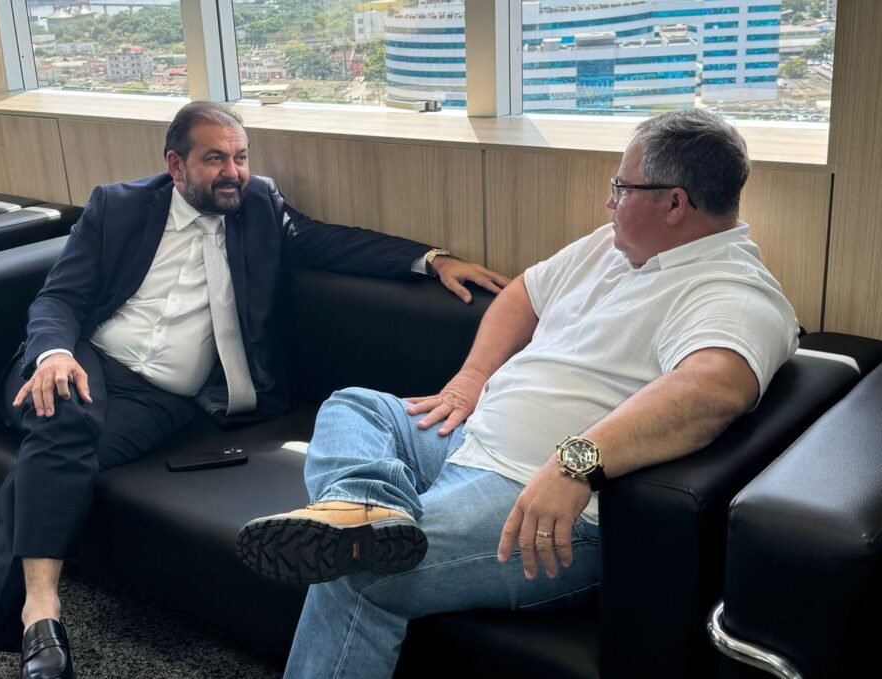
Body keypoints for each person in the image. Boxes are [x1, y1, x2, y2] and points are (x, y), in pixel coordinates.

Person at [0, 101, 509, 679]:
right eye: (215, 159)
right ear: (175, 165)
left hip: (161, 399)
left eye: (240, 157)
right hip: (85, 361)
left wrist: (432, 260)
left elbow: (335, 242)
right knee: (67, 415)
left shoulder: (260, 207)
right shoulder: (119, 206)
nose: (233, 172)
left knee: (51, 459)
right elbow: (60, 298)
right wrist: (54, 353)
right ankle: (30, 613)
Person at [236, 108, 800, 678]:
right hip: (467, 439)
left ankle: (367, 530)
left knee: (357, 569)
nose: (609, 202)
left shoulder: (732, 292)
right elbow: (523, 295)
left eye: (621, 188)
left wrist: (574, 464)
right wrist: (470, 380)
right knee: (356, 405)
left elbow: (712, 391)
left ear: (674, 203)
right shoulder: (612, 246)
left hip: (542, 501)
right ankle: (364, 507)